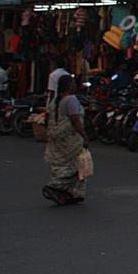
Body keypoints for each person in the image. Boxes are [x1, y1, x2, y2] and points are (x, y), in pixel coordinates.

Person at [43, 74, 88, 206]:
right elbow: (75, 120)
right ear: (69, 86)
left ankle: (70, 194)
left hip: (56, 137)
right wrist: (84, 136)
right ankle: (55, 186)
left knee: (61, 164)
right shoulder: (71, 100)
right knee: (75, 167)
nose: (75, 85)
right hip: (70, 139)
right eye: (73, 83)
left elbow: (47, 118)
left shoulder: (55, 101)